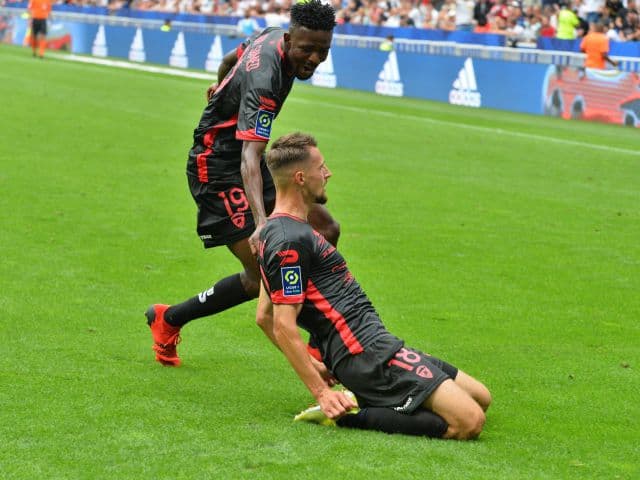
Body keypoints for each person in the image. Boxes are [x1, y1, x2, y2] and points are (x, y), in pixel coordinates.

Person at [256, 132, 491, 439]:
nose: (328, 173)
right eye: (321, 168)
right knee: (469, 421)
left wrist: (317, 364)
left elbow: (263, 314)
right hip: (364, 355)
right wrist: (322, 392)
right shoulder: (289, 240)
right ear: (301, 178)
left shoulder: (279, 231)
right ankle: (349, 414)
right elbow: (280, 324)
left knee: (480, 398)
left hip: (376, 344)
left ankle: (375, 397)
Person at [146, 0, 340, 367]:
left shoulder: (269, 36)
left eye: (323, 51)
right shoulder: (266, 79)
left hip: (243, 158)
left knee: (325, 229)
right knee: (265, 271)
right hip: (216, 166)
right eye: (306, 49)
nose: (314, 58)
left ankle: (319, 340)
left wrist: (219, 86)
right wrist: (263, 225)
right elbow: (250, 157)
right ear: (289, 39)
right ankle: (169, 319)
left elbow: (229, 59)